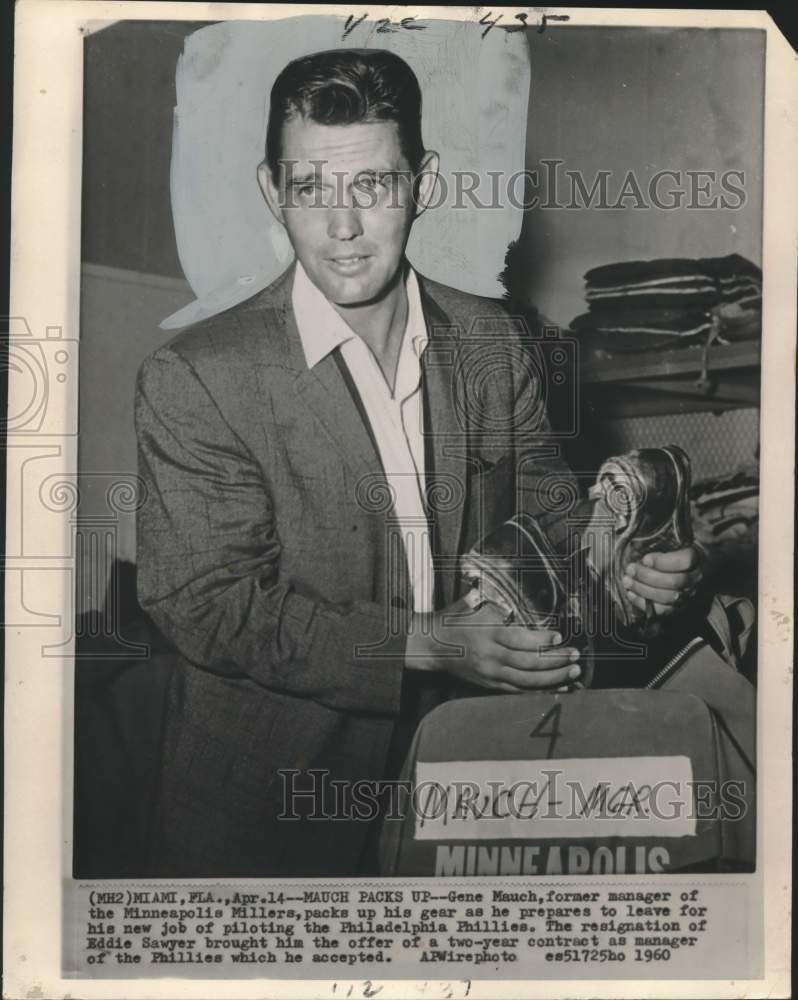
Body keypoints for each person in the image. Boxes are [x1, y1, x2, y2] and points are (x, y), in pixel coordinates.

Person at [134, 47, 702, 876]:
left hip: (460, 791)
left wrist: (627, 562)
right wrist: (423, 643)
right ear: (272, 191)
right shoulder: (197, 377)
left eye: (373, 184)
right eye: (311, 189)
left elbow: (548, 516)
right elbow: (205, 603)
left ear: (424, 185)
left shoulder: (492, 340)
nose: (342, 227)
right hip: (264, 820)